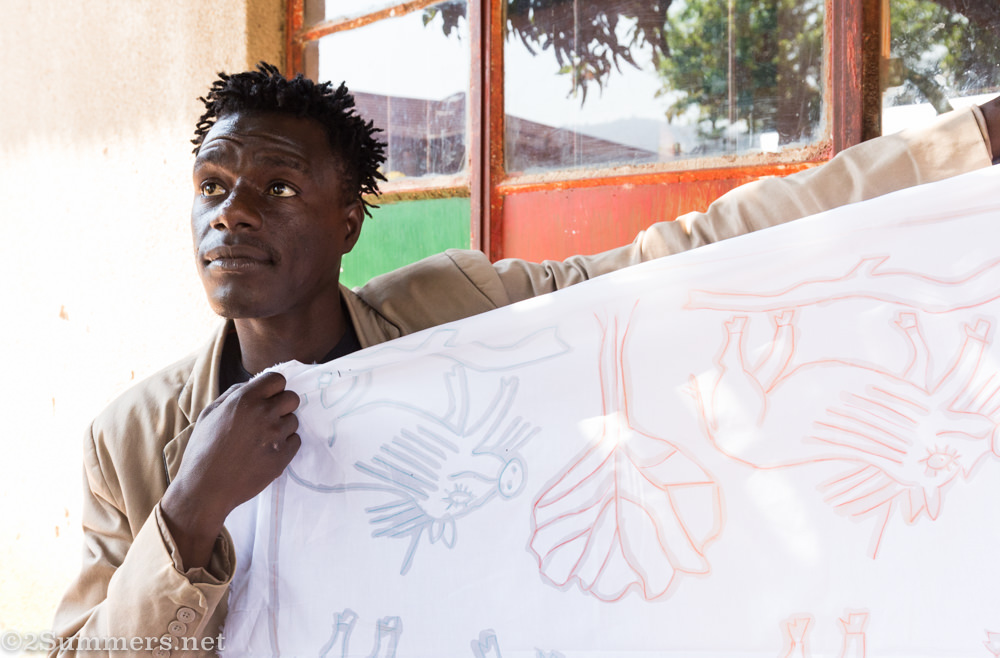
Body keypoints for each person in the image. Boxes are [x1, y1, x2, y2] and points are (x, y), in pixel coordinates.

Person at [52, 62, 999, 656]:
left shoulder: (451, 316)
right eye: (212, 186)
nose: (232, 213)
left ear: (349, 223)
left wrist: (953, 154)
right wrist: (187, 515)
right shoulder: (132, 445)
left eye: (279, 186)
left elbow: (674, 260)